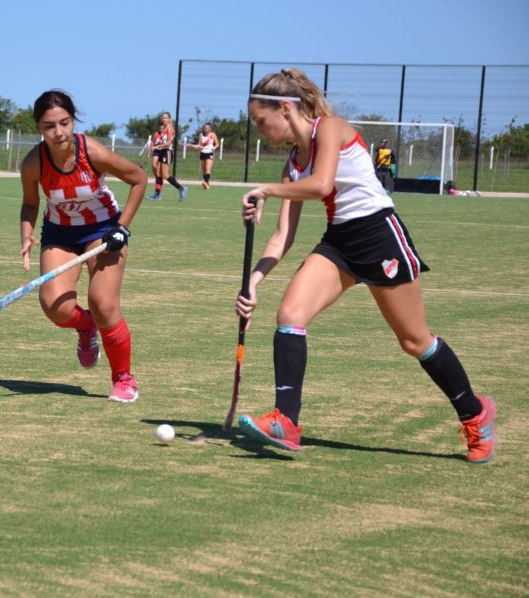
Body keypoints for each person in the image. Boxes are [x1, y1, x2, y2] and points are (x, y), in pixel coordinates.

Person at [234, 68, 496, 463]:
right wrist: (253, 282)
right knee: (290, 312)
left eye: (260, 120)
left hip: (379, 235)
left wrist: (267, 190)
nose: (260, 130)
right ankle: (286, 421)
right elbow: (281, 236)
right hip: (339, 242)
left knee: (414, 341)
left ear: (285, 109)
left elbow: (322, 185)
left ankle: (475, 413)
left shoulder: (332, 129)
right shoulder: (292, 163)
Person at [19, 90, 147, 402]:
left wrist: (122, 227)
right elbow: (30, 203)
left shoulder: (92, 152)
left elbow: (139, 179)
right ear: (39, 127)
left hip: (103, 231)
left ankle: (123, 378)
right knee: (56, 309)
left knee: (104, 304)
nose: (58, 132)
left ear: (73, 120)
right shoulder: (33, 163)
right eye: (50, 126)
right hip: (60, 234)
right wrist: (26, 234)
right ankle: (87, 328)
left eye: (64, 123)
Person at [147, 112, 188, 201]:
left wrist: (156, 147)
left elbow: (169, 143)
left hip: (167, 152)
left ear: (169, 119)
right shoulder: (165, 128)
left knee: (165, 175)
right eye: (162, 118)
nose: (163, 119)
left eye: (165, 118)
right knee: (158, 173)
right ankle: (157, 194)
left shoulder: (169, 128)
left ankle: (181, 188)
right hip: (163, 152)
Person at [195, 122, 220, 189]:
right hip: (202, 153)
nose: (205, 129)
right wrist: (198, 147)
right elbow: (200, 145)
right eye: (205, 128)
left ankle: (205, 183)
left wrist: (213, 148)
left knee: (208, 170)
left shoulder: (212, 135)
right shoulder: (201, 135)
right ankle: (207, 183)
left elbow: (217, 144)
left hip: (209, 153)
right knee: (204, 171)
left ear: (210, 129)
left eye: (207, 128)